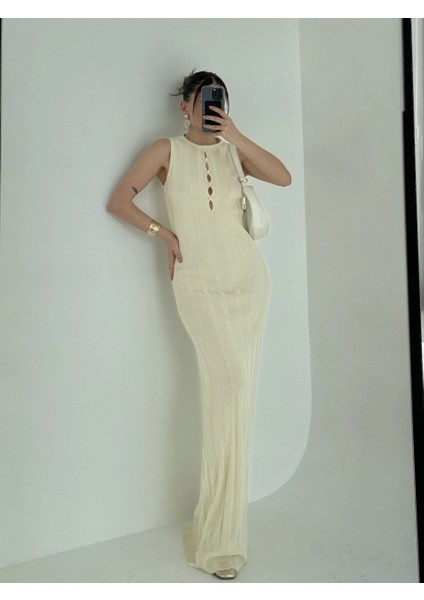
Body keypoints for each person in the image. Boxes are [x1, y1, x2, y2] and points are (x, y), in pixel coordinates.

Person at [106, 69, 292, 580]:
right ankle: (218, 538)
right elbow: (118, 201)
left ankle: (224, 529)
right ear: (185, 107)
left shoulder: (234, 150)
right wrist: (164, 234)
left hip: (248, 281)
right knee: (228, 389)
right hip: (199, 284)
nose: (210, 108)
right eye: (202, 100)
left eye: (219, 100)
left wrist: (235, 134)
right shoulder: (164, 150)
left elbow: (282, 177)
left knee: (239, 398)